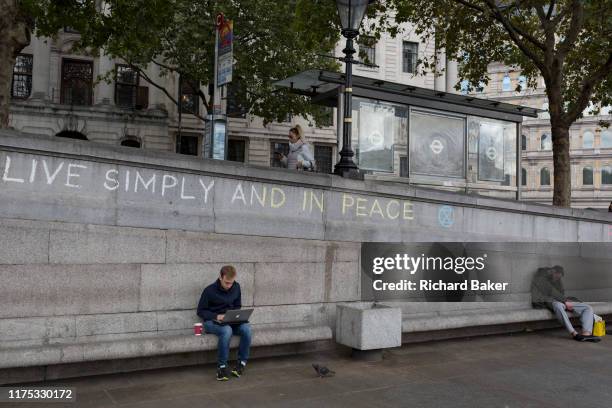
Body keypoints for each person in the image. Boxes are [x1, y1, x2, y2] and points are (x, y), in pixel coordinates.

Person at [197, 265, 252, 380]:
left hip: (230, 321)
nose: (229, 286)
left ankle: (241, 364)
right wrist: (217, 316)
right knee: (227, 330)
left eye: (231, 283)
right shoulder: (209, 290)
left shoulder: (236, 287)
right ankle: (221, 368)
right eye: (227, 282)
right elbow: (201, 311)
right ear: (220, 277)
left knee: (246, 328)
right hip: (212, 322)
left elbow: (237, 306)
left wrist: (234, 316)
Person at [531, 265, 599, 342]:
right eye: (556, 277)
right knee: (558, 305)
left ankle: (586, 334)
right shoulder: (541, 278)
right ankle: (574, 333)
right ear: (552, 272)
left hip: (560, 300)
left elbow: (561, 292)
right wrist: (565, 301)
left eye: (559, 277)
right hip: (544, 301)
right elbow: (551, 291)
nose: (557, 279)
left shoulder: (557, 279)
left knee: (587, 308)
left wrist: (567, 301)